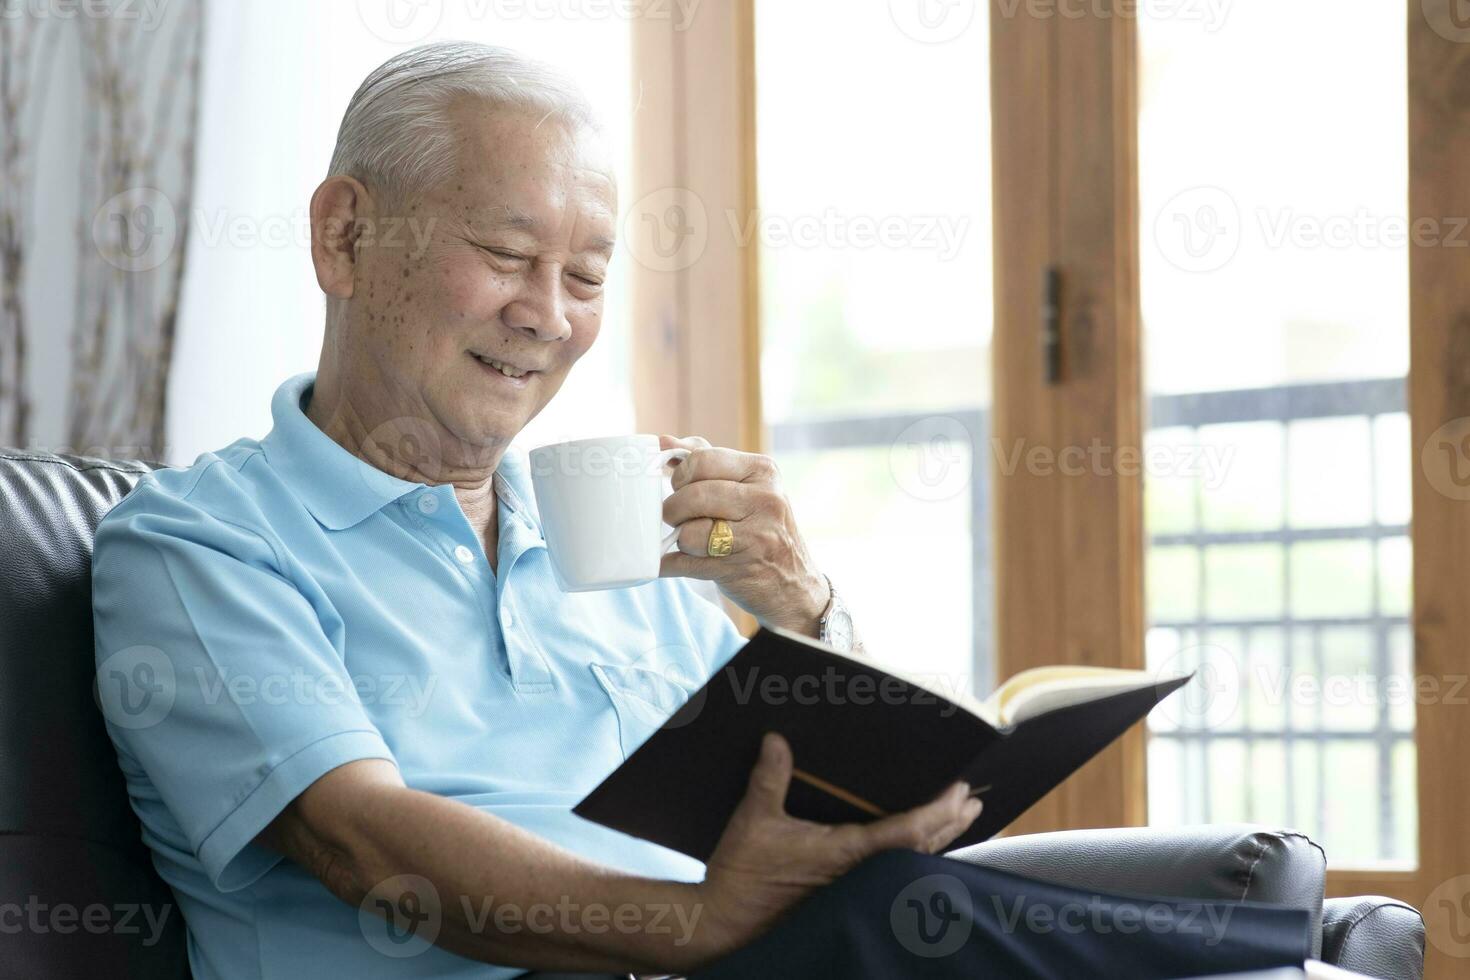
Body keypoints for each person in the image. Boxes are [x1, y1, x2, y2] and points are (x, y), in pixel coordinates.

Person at [92, 41, 1310, 979]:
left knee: (1195, 906)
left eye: (585, 275)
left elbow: (802, 805)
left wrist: (809, 613)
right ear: (346, 234)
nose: (547, 314)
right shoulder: (199, 543)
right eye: (507, 253)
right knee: (926, 923)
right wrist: (694, 924)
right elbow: (362, 838)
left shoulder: (606, 532)